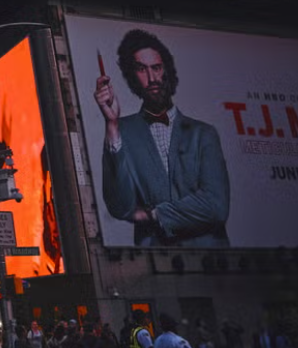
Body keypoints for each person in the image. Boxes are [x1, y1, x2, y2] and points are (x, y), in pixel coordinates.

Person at [95, 29, 230, 246]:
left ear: (168, 70)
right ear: (132, 77)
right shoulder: (122, 131)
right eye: (141, 69)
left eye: (156, 68)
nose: (152, 78)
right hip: (155, 264)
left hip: (212, 265)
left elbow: (216, 206)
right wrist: (112, 124)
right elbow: (121, 207)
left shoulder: (203, 133)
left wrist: (153, 215)